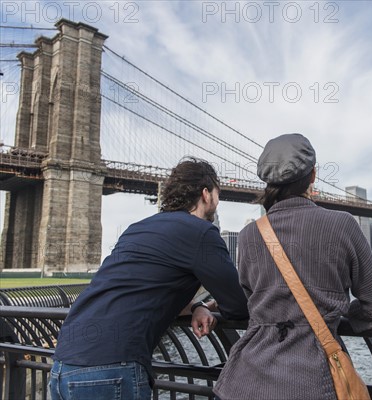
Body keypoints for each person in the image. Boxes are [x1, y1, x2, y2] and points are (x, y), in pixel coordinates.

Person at [49, 157, 249, 400]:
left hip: (63, 365)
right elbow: (238, 307)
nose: (217, 202)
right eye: (218, 194)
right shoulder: (202, 232)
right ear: (206, 194)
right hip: (111, 368)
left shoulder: (137, 228)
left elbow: (143, 288)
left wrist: (196, 305)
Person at [214, 134, 372, 400]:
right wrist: (331, 316)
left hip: (246, 381)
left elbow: (252, 301)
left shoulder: (249, 234)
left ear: (268, 182)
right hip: (312, 381)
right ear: (313, 175)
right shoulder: (343, 225)